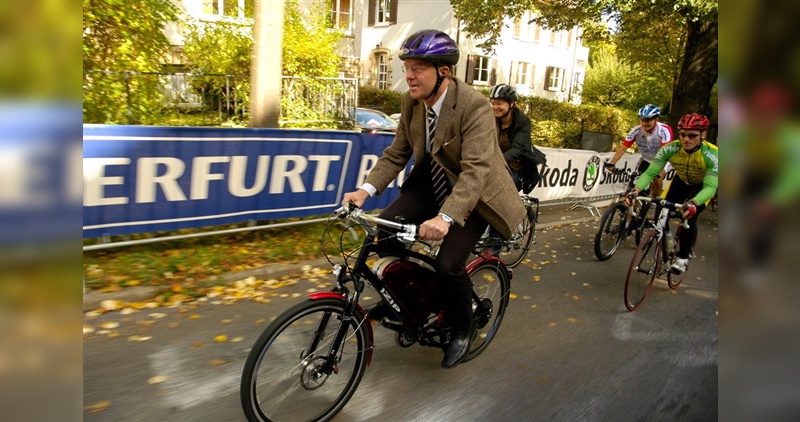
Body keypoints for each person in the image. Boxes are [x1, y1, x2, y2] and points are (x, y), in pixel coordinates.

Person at [340, 29, 526, 368]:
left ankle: (462, 326)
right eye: (406, 67)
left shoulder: (474, 106)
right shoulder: (411, 102)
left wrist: (446, 217)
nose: (409, 75)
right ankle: (411, 298)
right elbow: (397, 153)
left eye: (418, 68)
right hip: (430, 181)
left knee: (447, 263)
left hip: (475, 191)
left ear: (444, 72)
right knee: (386, 237)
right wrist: (365, 191)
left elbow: (476, 170)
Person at [624, 113, 718, 275]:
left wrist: (694, 203)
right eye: (682, 134)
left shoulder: (712, 154)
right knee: (661, 209)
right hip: (681, 181)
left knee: (689, 215)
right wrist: (636, 190)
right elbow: (651, 172)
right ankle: (667, 236)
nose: (686, 139)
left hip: (702, 186)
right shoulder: (670, 148)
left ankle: (683, 257)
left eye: (692, 135)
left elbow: (710, 187)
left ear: (703, 135)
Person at [605, 104, 673, 197]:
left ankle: (655, 201)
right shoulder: (636, 130)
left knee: (657, 177)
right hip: (647, 159)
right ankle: (633, 208)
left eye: (648, 120)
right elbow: (623, 148)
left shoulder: (664, 130)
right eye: (642, 120)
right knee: (635, 187)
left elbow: (665, 152)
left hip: (663, 159)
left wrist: (659, 169)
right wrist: (612, 163)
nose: (644, 123)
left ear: (656, 119)